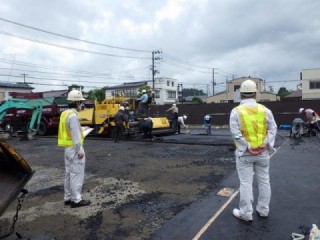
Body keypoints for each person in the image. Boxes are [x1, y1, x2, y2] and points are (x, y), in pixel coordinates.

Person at [229, 80, 277, 222]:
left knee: (245, 183)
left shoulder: (236, 111)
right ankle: (263, 210)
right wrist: (265, 143)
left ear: (241, 94)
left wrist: (247, 146)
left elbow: (235, 133)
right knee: (264, 182)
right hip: (262, 153)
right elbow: (273, 128)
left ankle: (246, 213)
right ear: (255, 93)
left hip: (245, 154)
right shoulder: (265, 110)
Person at [58, 90, 91, 208]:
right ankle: (76, 200)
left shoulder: (65, 114)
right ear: (76, 102)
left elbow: (70, 130)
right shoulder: (73, 115)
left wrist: (81, 128)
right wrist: (79, 151)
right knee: (76, 173)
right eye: (80, 102)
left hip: (68, 148)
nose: (81, 104)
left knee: (68, 173)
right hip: (74, 148)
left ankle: (67, 198)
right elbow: (76, 136)